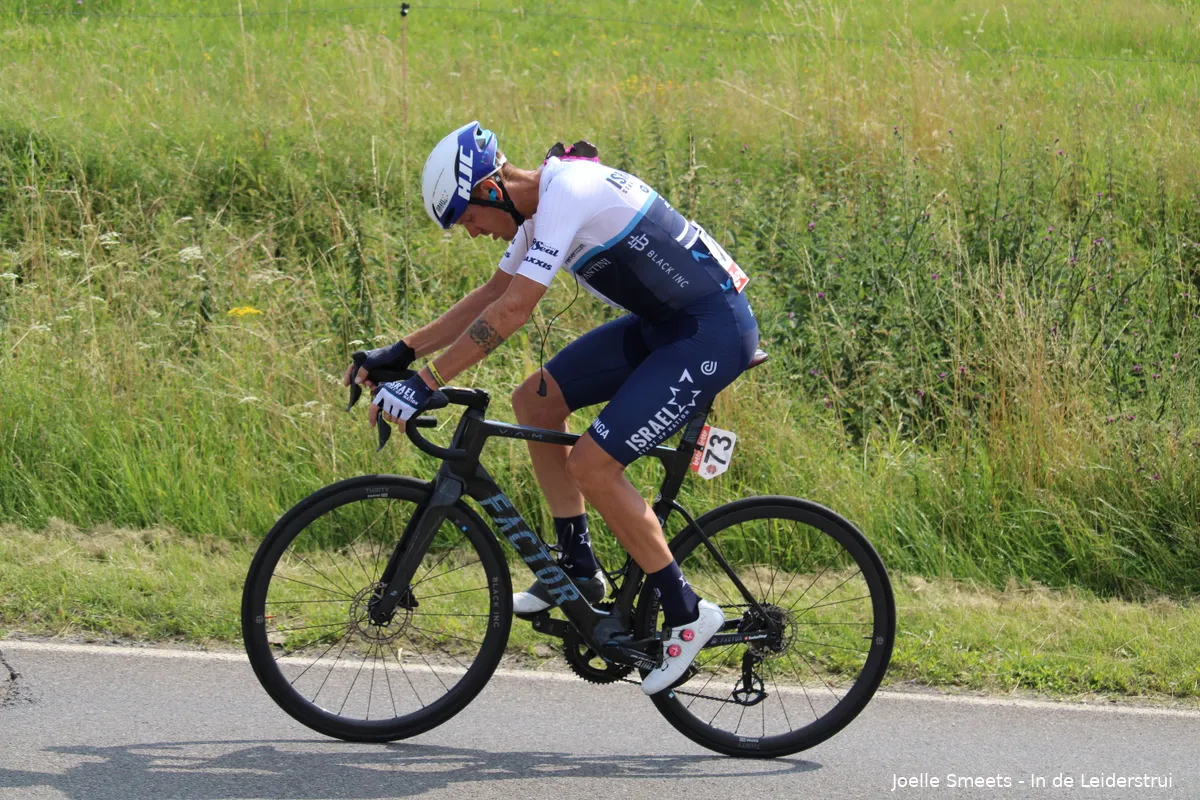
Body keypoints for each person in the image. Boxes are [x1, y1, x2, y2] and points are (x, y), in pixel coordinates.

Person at [345, 121, 758, 695]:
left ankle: (686, 611)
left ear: (490, 189)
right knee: (535, 401)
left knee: (593, 465)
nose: (472, 233)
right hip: (665, 326)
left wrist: (426, 382)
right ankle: (579, 568)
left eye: (466, 219)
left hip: (710, 332)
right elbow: (492, 295)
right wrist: (404, 351)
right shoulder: (538, 209)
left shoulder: (568, 191)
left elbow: (514, 312)